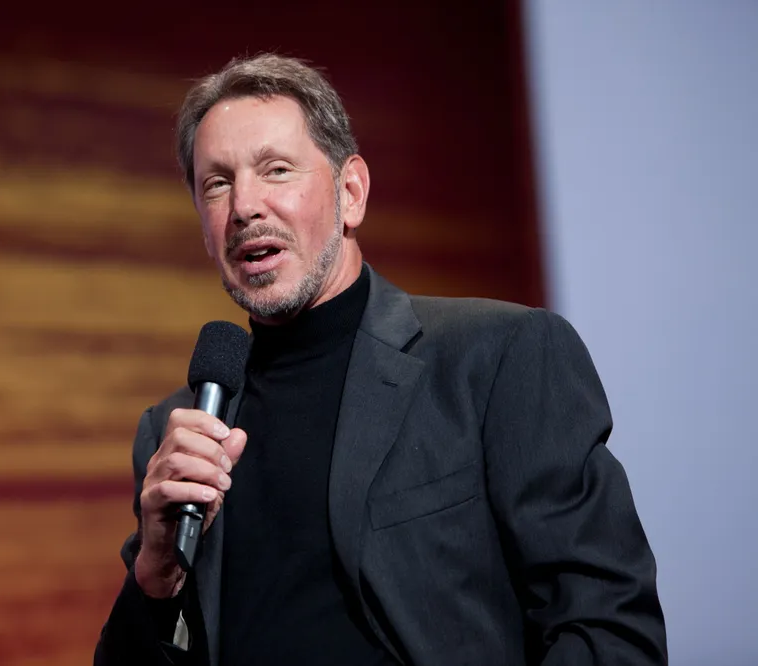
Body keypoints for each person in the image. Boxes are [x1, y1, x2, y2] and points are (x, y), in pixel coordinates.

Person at [95, 54, 666, 665]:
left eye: (276, 170)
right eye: (217, 183)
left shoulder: (497, 357)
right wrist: (155, 574)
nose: (244, 206)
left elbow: (607, 628)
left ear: (351, 193)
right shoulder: (177, 433)